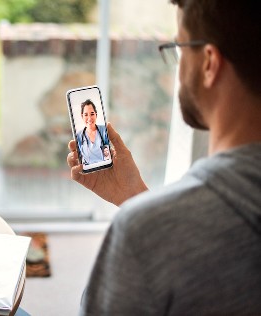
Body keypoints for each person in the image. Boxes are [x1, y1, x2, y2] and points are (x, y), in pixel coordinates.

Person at [67, 0, 261, 315]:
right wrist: (135, 197)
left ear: (209, 62)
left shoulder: (143, 235)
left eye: (180, 46)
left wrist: (145, 216)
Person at [75, 99, 109, 165]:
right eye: (86, 115)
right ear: (82, 116)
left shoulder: (104, 130)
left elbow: (110, 152)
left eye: (92, 114)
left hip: (105, 168)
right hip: (89, 171)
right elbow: (79, 158)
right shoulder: (78, 136)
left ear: (96, 115)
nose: (89, 118)